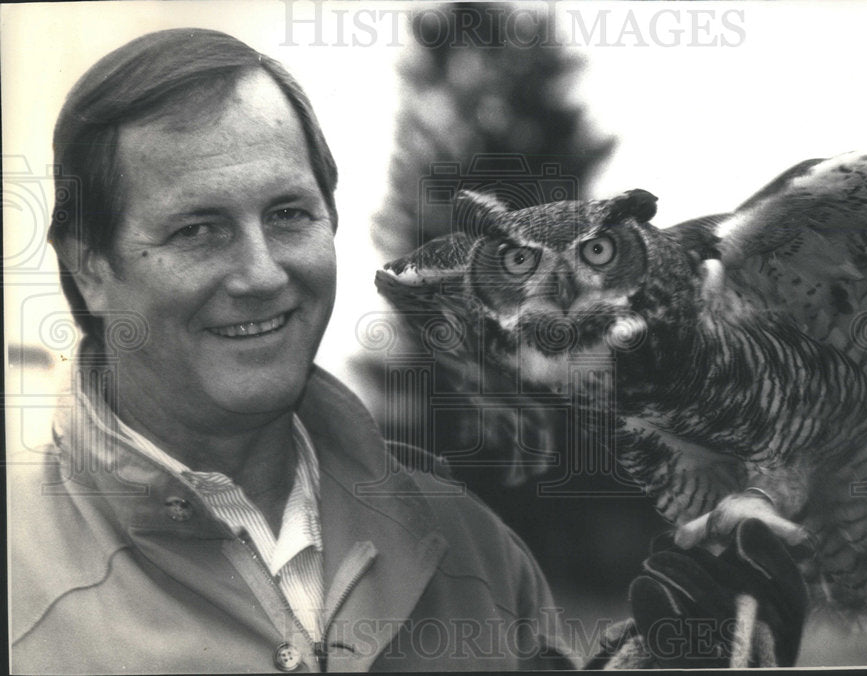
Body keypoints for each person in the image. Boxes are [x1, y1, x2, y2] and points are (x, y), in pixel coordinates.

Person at [7, 28, 804, 673]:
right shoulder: (20, 573)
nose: (261, 273)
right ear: (91, 269)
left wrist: (668, 666)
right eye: (197, 230)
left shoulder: (471, 546)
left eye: (288, 214)